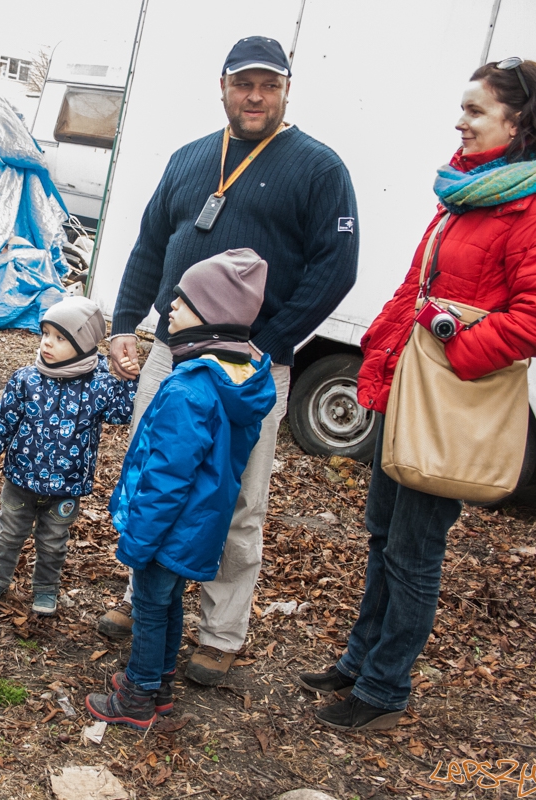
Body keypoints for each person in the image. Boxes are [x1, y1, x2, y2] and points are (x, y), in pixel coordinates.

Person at [297, 58, 536, 731]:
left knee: (413, 550)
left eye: (476, 110)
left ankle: (384, 688)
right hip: (409, 387)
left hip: (449, 399)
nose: (461, 121)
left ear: (519, 119)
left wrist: (457, 351)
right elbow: (419, 287)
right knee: (380, 535)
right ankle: (358, 660)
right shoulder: (471, 190)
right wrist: (380, 350)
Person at [101, 35, 359, 687]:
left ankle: (219, 634)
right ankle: (144, 602)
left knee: (238, 498)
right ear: (222, 86)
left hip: (248, 369)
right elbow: (148, 245)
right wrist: (126, 326)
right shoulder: (190, 159)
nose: (254, 95)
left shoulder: (318, 168)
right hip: (170, 357)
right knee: (155, 478)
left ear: (286, 92)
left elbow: (337, 269)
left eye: (268, 84)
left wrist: (273, 342)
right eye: (244, 82)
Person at [86, 251, 277, 729]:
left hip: (166, 528)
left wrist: (138, 539)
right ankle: (160, 684)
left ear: (211, 312)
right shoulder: (238, 381)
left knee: (151, 608)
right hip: (199, 527)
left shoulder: (187, 389)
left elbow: (166, 480)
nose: (169, 307)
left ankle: (137, 696)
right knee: (167, 603)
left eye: (183, 300)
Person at [0, 296, 138, 616]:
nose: (48, 343)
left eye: (60, 338)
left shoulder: (98, 385)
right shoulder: (27, 378)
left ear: (84, 343)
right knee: (8, 534)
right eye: (46, 333)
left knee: (53, 542)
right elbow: (5, 418)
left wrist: (130, 379)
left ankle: (45, 589)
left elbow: (121, 413)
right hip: (21, 479)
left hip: (66, 485)